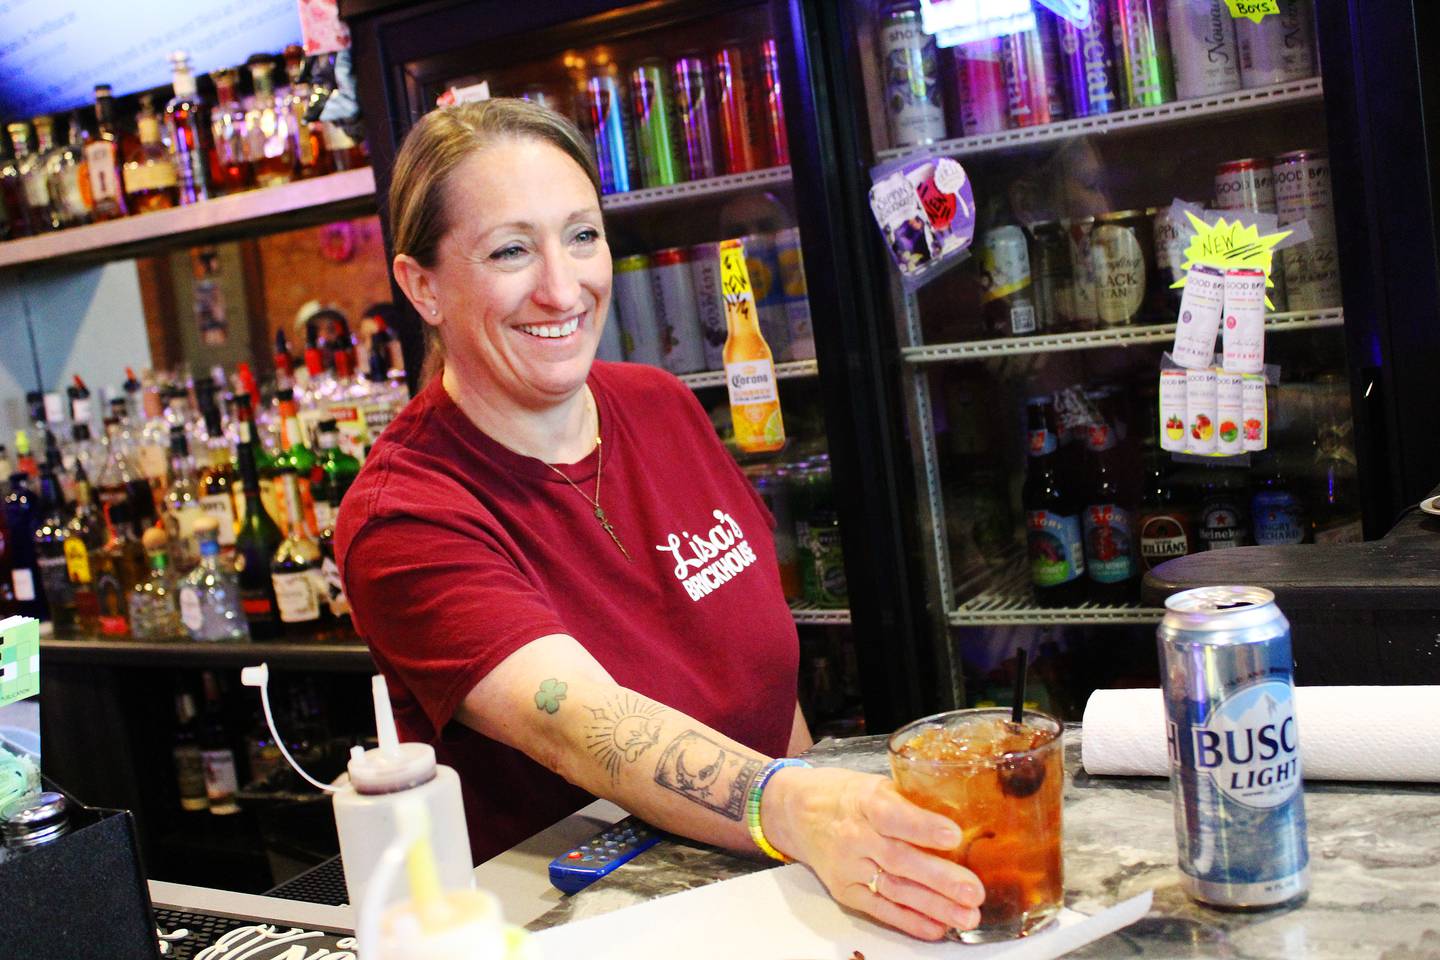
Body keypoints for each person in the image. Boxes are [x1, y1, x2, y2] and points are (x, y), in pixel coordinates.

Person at [335, 98, 983, 940]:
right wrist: (800, 809)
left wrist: (828, 838)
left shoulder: (661, 405)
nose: (562, 288)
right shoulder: (406, 515)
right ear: (422, 285)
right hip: (585, 934)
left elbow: (765, 687)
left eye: (582, 236)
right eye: (510, 250)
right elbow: (582, 727)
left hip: (780, 895)